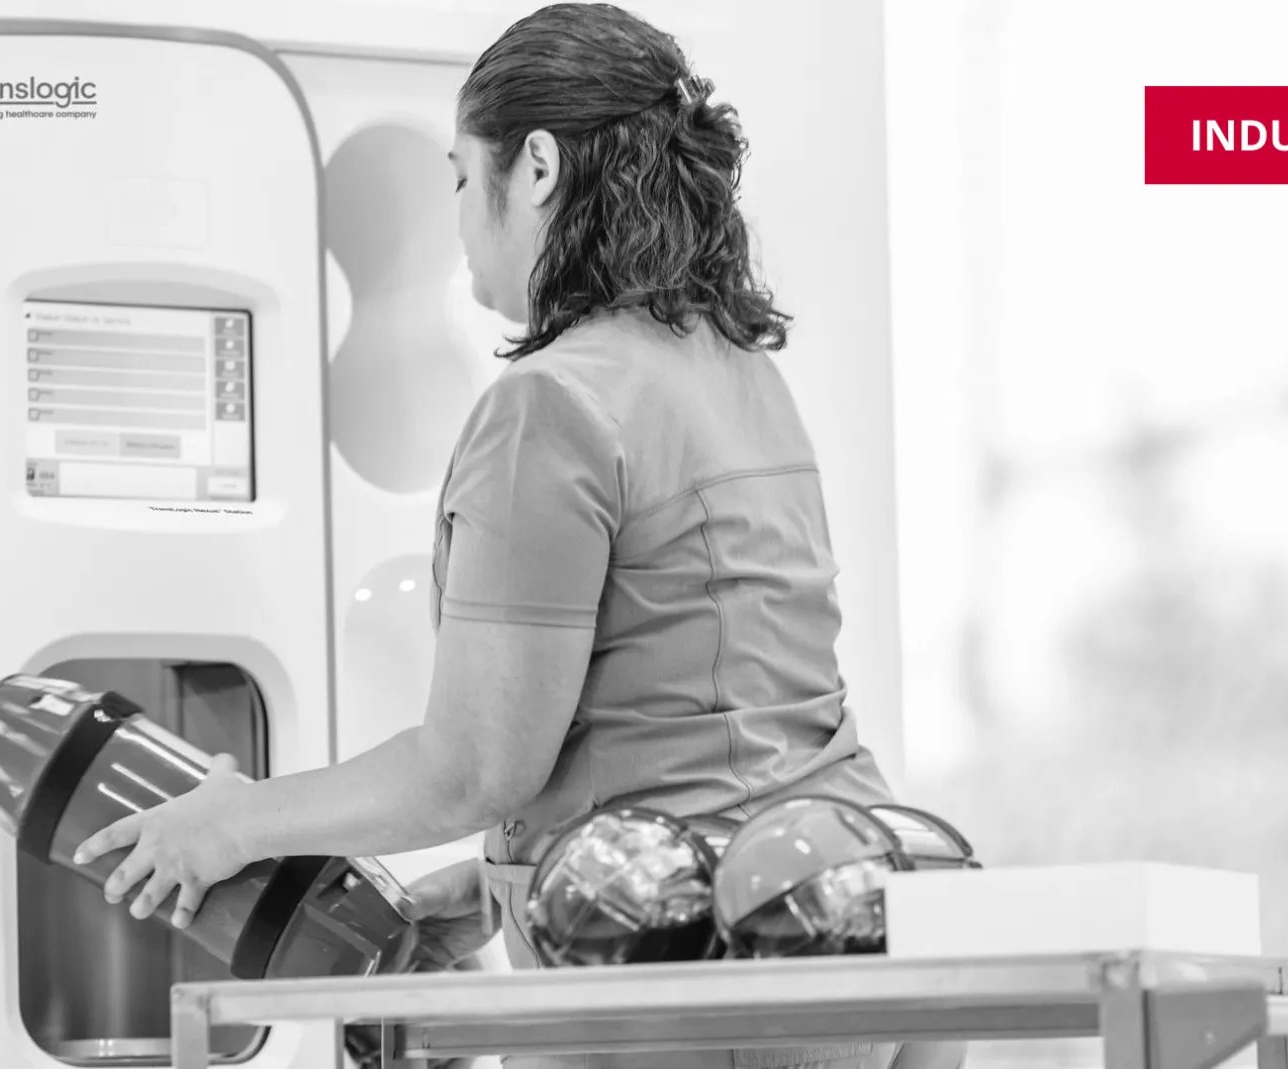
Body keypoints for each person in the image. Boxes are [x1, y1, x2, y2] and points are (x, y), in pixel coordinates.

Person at [76, 6, 961, 1068]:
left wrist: (232, 820)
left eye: (459, 177)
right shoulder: (737, 371)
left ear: (535, 167)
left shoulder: (551, 405)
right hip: (848, 923)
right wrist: (502, 884)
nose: (457, 222)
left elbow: (471, 768)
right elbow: (710, 714)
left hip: (685, 978)